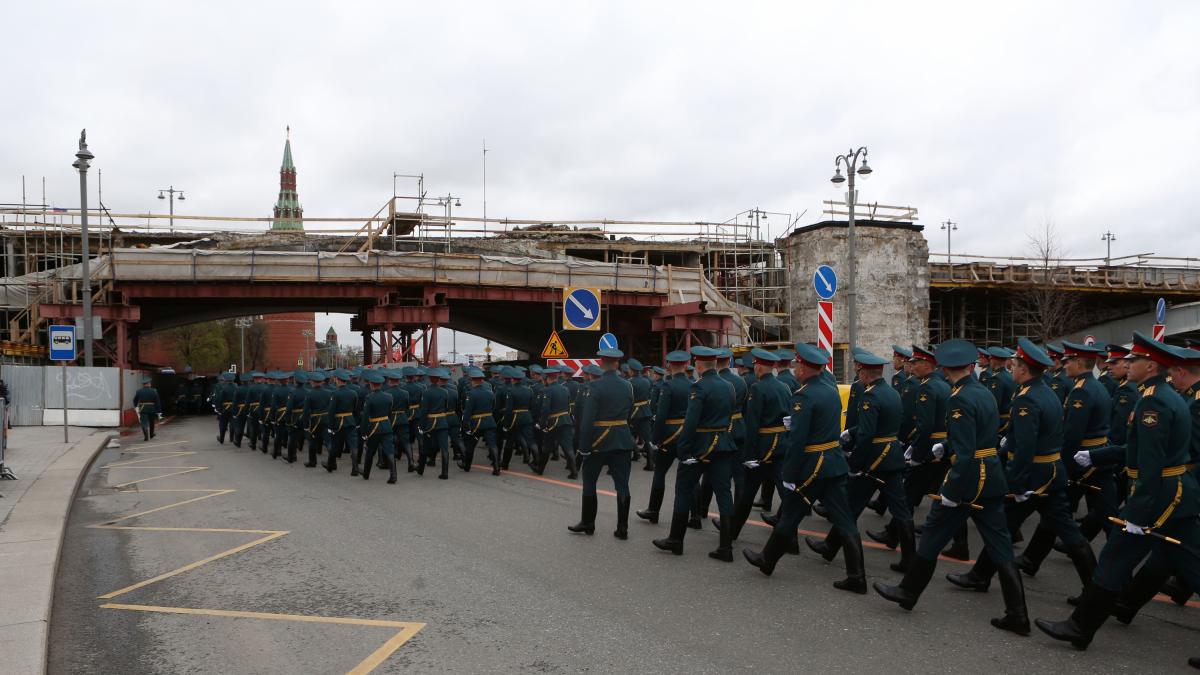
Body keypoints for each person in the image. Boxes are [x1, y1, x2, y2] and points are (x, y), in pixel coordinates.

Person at [1036, 333, 1200, 663]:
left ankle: (1080, 627)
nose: (1126, 365)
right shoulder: (1163, 396)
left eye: (1133, 361)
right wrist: (1098, 457)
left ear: (1150, 365)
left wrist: (1138, 515)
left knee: (1114, 557)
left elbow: (1152, 463)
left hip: (1160, 495)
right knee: (1191, 564)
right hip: (1174, 493)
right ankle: (1080, 628)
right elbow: (1142, 450)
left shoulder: (1154, 402)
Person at [875, 338, 1029, 636]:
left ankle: (908, 592)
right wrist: (945, 446)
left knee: (932, 533)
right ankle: (1018, 614)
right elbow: (982, 435)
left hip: (969, 478)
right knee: (999, 545)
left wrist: (951, 489)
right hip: (991, 475)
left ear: (944, 367)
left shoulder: (958, 398)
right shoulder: (981, 391)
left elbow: (967, 451)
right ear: (970, 367)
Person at [946, 338, 1096, 598]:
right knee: (1060, 532)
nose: (1011, 368)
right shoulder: (1045, 390)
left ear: (1024, 369)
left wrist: (1015, 483)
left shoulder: (1027, 399)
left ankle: (981, 576)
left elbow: (1025, 447)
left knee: (1002, 528)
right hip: (1050, 472)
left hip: (1033, 478)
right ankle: (980, 575)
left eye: (1014, 365)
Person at [743, 344, 864, 593]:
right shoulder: (830, 389)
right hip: (832, 461)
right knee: (844, 520)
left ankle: (767, 560)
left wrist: (789, 474)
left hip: (813, 466)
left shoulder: (804, 395)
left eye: (799, 365)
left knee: (790, 514)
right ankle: (857, 576)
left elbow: (798, 441)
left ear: (808, 368)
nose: (796, 369)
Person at [807, 349, 914, 575]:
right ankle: (909, 559)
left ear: (865, 373)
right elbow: (887, 423)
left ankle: (831, 546)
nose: (859, 373)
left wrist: (854, 463)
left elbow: (867, 434)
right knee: (900, 510)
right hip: (892, 456)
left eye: (860, 370)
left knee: (849, 506)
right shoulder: (891, 392)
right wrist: (852, 432)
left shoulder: (871, 396)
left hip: (874, 460)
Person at [652, 346, 738, 561]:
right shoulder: (729, 386)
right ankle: (726, 547)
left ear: (699, 365)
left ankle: (676, 540)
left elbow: (691, 422)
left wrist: (683, 448)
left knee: (683, 489)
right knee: (724, 493)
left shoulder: (698, 388)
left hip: (699, 445)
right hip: (723, 444)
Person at [715, 348, 790, 542]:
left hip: (762, 448)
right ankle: (792, 541)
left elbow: (753, 423)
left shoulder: (757, 388)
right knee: (785, 494)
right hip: (781, 445)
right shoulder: (784, 387)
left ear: (758, 366)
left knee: (747, 494)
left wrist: (749, 455)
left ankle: (732, 531)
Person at [569, 349, 635, 539]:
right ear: (617, 364)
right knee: (622, 485)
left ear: (600, 363)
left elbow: (587, 420)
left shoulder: (594, 387)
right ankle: (623, 528)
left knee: (589, 482)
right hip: (622, 439)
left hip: (599, 440)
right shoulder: (627, 386)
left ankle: (588, 523)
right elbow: (629, 413)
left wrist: (584, 447)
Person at [637, 351, 692, 525]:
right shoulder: (693, 384)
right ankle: (697, 515)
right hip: (686, 433)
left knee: (660, 473)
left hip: (669, 434)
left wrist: (654, 438)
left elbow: (661, 415)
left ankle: (653, 511)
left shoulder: (668, 386)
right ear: (685, 365)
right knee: (691, 474)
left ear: (669, 366)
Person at [538, 366, 579, 478]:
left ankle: (540, 469)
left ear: (547, 378)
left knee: (546, 446)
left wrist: (542, 424)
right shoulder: (564, 389)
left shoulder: (547, 390)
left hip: (553, 422)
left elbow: (545, 409)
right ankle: (574, 472)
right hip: (566, 420)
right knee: (567, 447)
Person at [359, 372, 397, 483]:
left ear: (371, 384)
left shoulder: (369, 397)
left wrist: (364, 432)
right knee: (389, 451)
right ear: (381, 384)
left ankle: (366, 474)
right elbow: (390, 413)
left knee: (370, 452)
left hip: (374, 428)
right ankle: (393, 475)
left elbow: (366, 416)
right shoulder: (389, 396)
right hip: (386, 426)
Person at [462, 367, 501, 475]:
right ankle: (496, 467)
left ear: (472, 380)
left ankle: (467, 466)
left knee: (470, 446)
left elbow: (468, 412)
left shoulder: (471, 393)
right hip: (489, 421)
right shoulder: (490, 393)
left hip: (477, 423)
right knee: (492, 445)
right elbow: (493, 407)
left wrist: (465, 425)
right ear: (482, 380)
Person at [416, 368, 453, 479]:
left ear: (430, 379)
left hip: (430, 422)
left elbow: (424, 410)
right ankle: (445, 472)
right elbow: (446, 408)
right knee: (444, 448)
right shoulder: (445, 392)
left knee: (425, 446)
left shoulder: (426, 392)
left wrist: (421, 425)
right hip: (442, 422)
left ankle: (421, 469)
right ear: (438, 379)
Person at [302, 372, 333, 468]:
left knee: (312, 441)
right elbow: (331, 408)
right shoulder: (329, 393)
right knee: (328, 442)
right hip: (326, 419)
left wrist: (306, 425)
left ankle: (312, 462)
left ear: (313, 382)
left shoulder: (310, 394)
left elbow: (306, 411)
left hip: (315, 421)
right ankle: (332, 462)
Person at [133, 376, 162, 441]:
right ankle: (151, 434)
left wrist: (136, 406)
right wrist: (159, 411)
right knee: (151, 422)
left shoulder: (139, 391)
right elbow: (157, 402)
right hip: (152, 409)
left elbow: (135, 400)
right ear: (149, 383)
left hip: (143, 409)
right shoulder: (154, 391)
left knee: (144, 422)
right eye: (150, 383)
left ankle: (146, 436)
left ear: (143, 384)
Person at [211, 372, 237, 444]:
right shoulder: (236, 387)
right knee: (232, 423)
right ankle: (232, 438)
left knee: (223, 424)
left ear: (225, 379)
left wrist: (218, 409)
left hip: (224, 408)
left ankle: (222, 438)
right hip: (233, 408)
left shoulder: (223, 388)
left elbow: (220, 399)